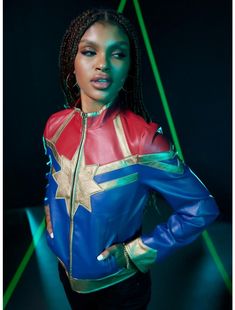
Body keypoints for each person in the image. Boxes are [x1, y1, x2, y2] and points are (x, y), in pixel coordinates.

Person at [43, 8, 219, 310]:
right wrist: (50, 216)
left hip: (118, 288)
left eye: (117, 55)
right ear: (72, 62)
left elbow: (201, 208)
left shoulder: (142, 139)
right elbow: (52, 176)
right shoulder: (55, 126)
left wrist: (137, 252)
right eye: (89, 52)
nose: (102, 65)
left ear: (128, 70)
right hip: (65, 275)